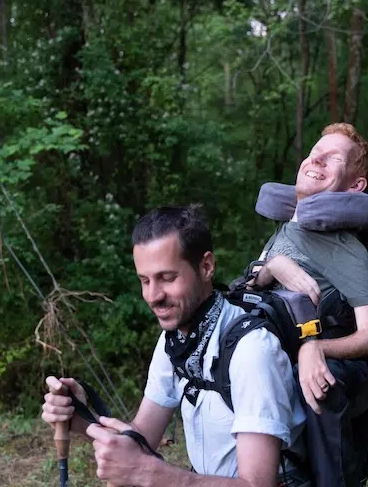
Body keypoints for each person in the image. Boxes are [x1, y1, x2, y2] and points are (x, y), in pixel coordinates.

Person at [41, 205, 308, 487]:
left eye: (167, 278)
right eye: (144, 280)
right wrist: (81, 419)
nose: (153, 296)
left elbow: (257, 485)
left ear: (206, 267)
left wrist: (148, 473)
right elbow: (143, 435)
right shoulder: (177, 339)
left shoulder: (252, 351)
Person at [247, 123, 368, 487]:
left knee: (314, 388)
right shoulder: (286, 230)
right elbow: (244, 298)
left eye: (333, 157)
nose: (316, 158)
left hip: (313, 365)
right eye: (315, 150)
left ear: (355, 186)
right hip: (264, 358)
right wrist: (270, 267)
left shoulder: (344, 248)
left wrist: (315, 348)